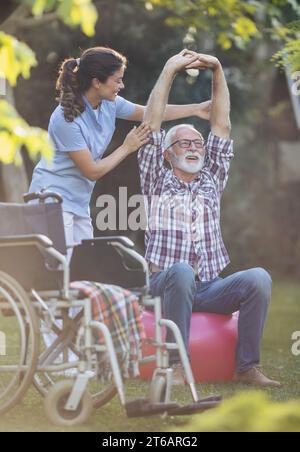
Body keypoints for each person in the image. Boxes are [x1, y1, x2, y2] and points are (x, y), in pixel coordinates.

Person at [137, 50, 281, 387]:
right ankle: (175, 365)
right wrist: (169, 69)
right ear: (167, 152)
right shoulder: (155, 179)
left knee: (258, 277)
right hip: (165, 284)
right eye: (184, 142)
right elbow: (152, 124)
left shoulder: (212, 179)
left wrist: (217, 67)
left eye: (198, 142)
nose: (194, 147)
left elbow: (222, 124)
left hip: (209, 286)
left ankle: (246, 367)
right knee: (183, 271)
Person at [29, 46, 209, 256]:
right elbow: (92, 171)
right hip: (52, 202)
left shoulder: (109, 104)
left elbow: (149, 114)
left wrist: (196, 109)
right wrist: (127, 147)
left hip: (78, 203)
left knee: (82, 269)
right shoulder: (64, 119)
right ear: (97, 82)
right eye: (117, 80)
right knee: (59, 272)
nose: (121, 85)